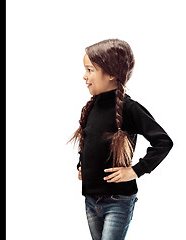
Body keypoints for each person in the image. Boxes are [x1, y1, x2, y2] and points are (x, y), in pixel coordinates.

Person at [69, 39, 173, 240]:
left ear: (111, 74)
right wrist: (82, 166)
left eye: (90, 70)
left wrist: (135, 171)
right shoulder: (90, 107)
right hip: (90, 199)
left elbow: (163, 142)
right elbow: (89, 142)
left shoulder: (129, 108)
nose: (84, 76)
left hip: (118, 200)